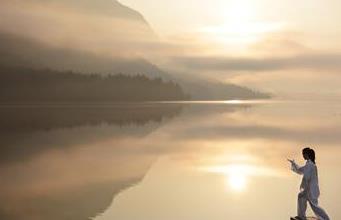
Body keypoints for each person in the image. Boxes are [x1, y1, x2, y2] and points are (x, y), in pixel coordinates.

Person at [288, 147, 330, 220]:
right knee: (302, 197)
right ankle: (302, 216)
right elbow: (301, 170)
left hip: (310, 189)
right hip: (309, 188)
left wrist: (305, 188)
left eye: (303, 154)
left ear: (306, 154)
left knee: (313, 205)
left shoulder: (310, 165)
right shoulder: (309, 164)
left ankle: (324, 218)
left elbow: (305, 174)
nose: (303, 156)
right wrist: (294, 164)